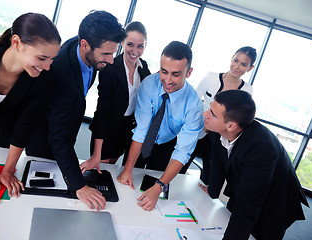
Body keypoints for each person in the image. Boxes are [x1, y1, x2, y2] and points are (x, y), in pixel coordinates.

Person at [26, 11, 126, 210]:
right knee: (43, 202)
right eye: (106, 54)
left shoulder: (83, 48)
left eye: (113, 53)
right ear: (85, 45)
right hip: (44, 142)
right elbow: (58, 138)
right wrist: (79, 185)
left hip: (65, 126)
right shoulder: (61, 72)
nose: (112, 60)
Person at [0, 13, 61, 198]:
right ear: (16, 42)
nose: (48, 66)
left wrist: (8, 171)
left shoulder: (44, 76)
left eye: (52, 59)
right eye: (42, 58)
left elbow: (25, 123)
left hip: (10, 118)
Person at [200, 90, 309, 240]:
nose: (205, 114)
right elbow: (218, 160)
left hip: (276, 201)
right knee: (230, 219)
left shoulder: (261, 148)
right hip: (245, 187)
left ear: (231, 126)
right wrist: (212, 190)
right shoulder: (217, 129)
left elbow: (248, 204)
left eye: (212, 113)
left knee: (258, 233)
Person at [117, 41, 204, 211]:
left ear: (189, 72)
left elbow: (182, 150)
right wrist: (127, 169)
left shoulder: (194, 106)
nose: (167, 80)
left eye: (176, 74)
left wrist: (159, 187)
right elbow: (142, 130)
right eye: (164, 71)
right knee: (126, 182)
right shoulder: (150, 83)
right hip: (141, 139)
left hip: (167, 144)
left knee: (153, 191)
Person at [80, 21, 150, 173]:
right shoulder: (110, 68)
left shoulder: (144, 69)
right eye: (130, 44)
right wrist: (96, 154)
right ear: (123, 42)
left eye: (140, 46)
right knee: (100, 170)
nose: (135, 51)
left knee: (112, 173)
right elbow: (102, 111)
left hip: (126, 130)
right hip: (107, 129)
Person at [180, 46, 257, 183]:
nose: (237, 66)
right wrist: (202, 122)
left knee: (209, 178)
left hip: (219, 139)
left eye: (243, 64)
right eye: (236, 60)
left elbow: (239, 118)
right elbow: (194, 101)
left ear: (250, 68)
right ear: (232, 58)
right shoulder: (211, 77)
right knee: (180, 166)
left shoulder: (246, 90)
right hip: (198, 129)